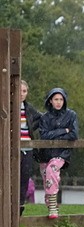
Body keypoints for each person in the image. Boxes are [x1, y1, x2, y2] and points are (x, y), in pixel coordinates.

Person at [35, 87, 79, 220]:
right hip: (45, 153)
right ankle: (51, 208)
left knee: (51, 170)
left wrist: (58, 135)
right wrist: (63, 130)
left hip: (61, 153)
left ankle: (53, 208)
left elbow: (74, 134)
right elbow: (44, 136)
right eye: (56, 99)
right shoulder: (45, 117)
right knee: (47, 180)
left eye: (61, 99)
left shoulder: (71, 115)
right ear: (50, 101)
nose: (58, 102)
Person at [17, 80, 41, 215]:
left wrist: (32, 127)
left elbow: (41, 118)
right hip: (14, 147)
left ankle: (20, 204)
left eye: (24, 91)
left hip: (28, 147)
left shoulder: (29, 108)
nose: (21, 94)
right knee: (11, 176)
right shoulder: (8, 106)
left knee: (25, 177)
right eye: (19, 90)